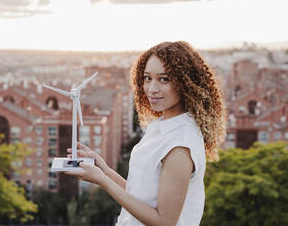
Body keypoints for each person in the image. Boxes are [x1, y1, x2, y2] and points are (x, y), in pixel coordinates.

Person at [65, 41, 227, 226]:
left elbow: (164, 222)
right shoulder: (162, 127)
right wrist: (105, 170)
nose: (152, 88)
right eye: (147, 78)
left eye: (164, 79)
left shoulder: (180, 145)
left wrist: (102, 181)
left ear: (185, 83)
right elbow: (141, 196)